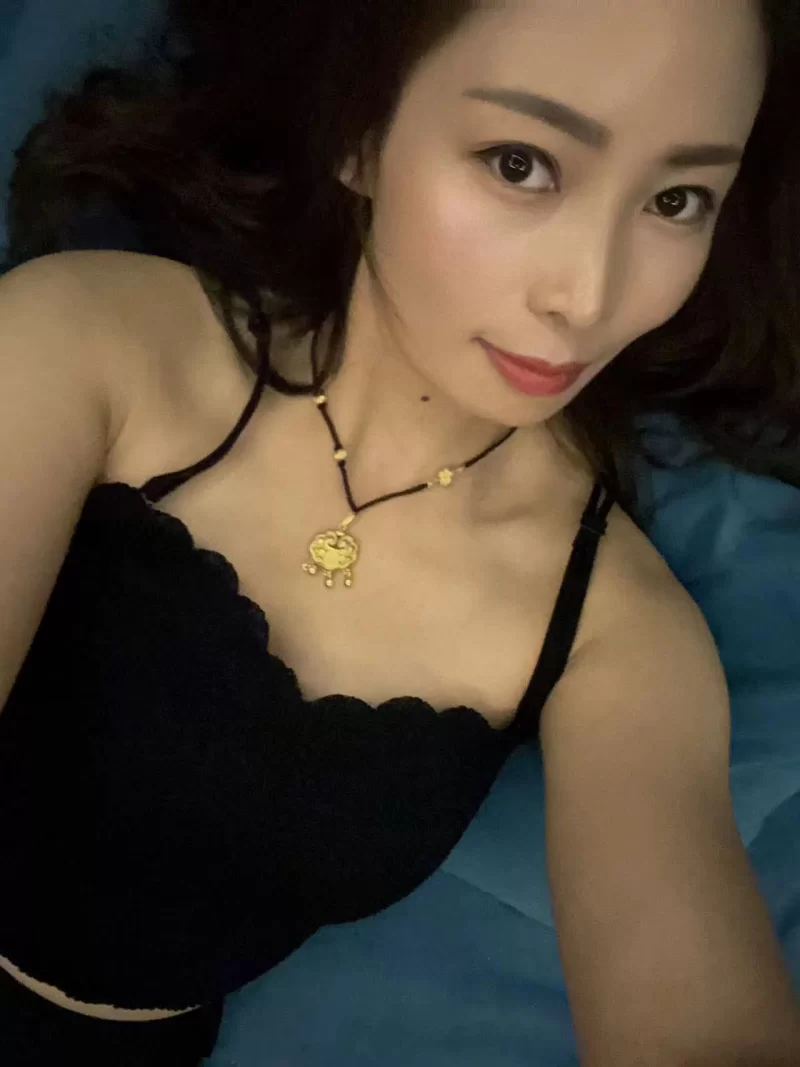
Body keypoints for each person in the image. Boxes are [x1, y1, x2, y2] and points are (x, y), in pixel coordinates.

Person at [1, 0, 799, 1063]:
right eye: (520, 163)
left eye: (675, 198)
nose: (588, 295)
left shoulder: (621, 636)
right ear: (360, 134)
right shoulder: (92, 341)